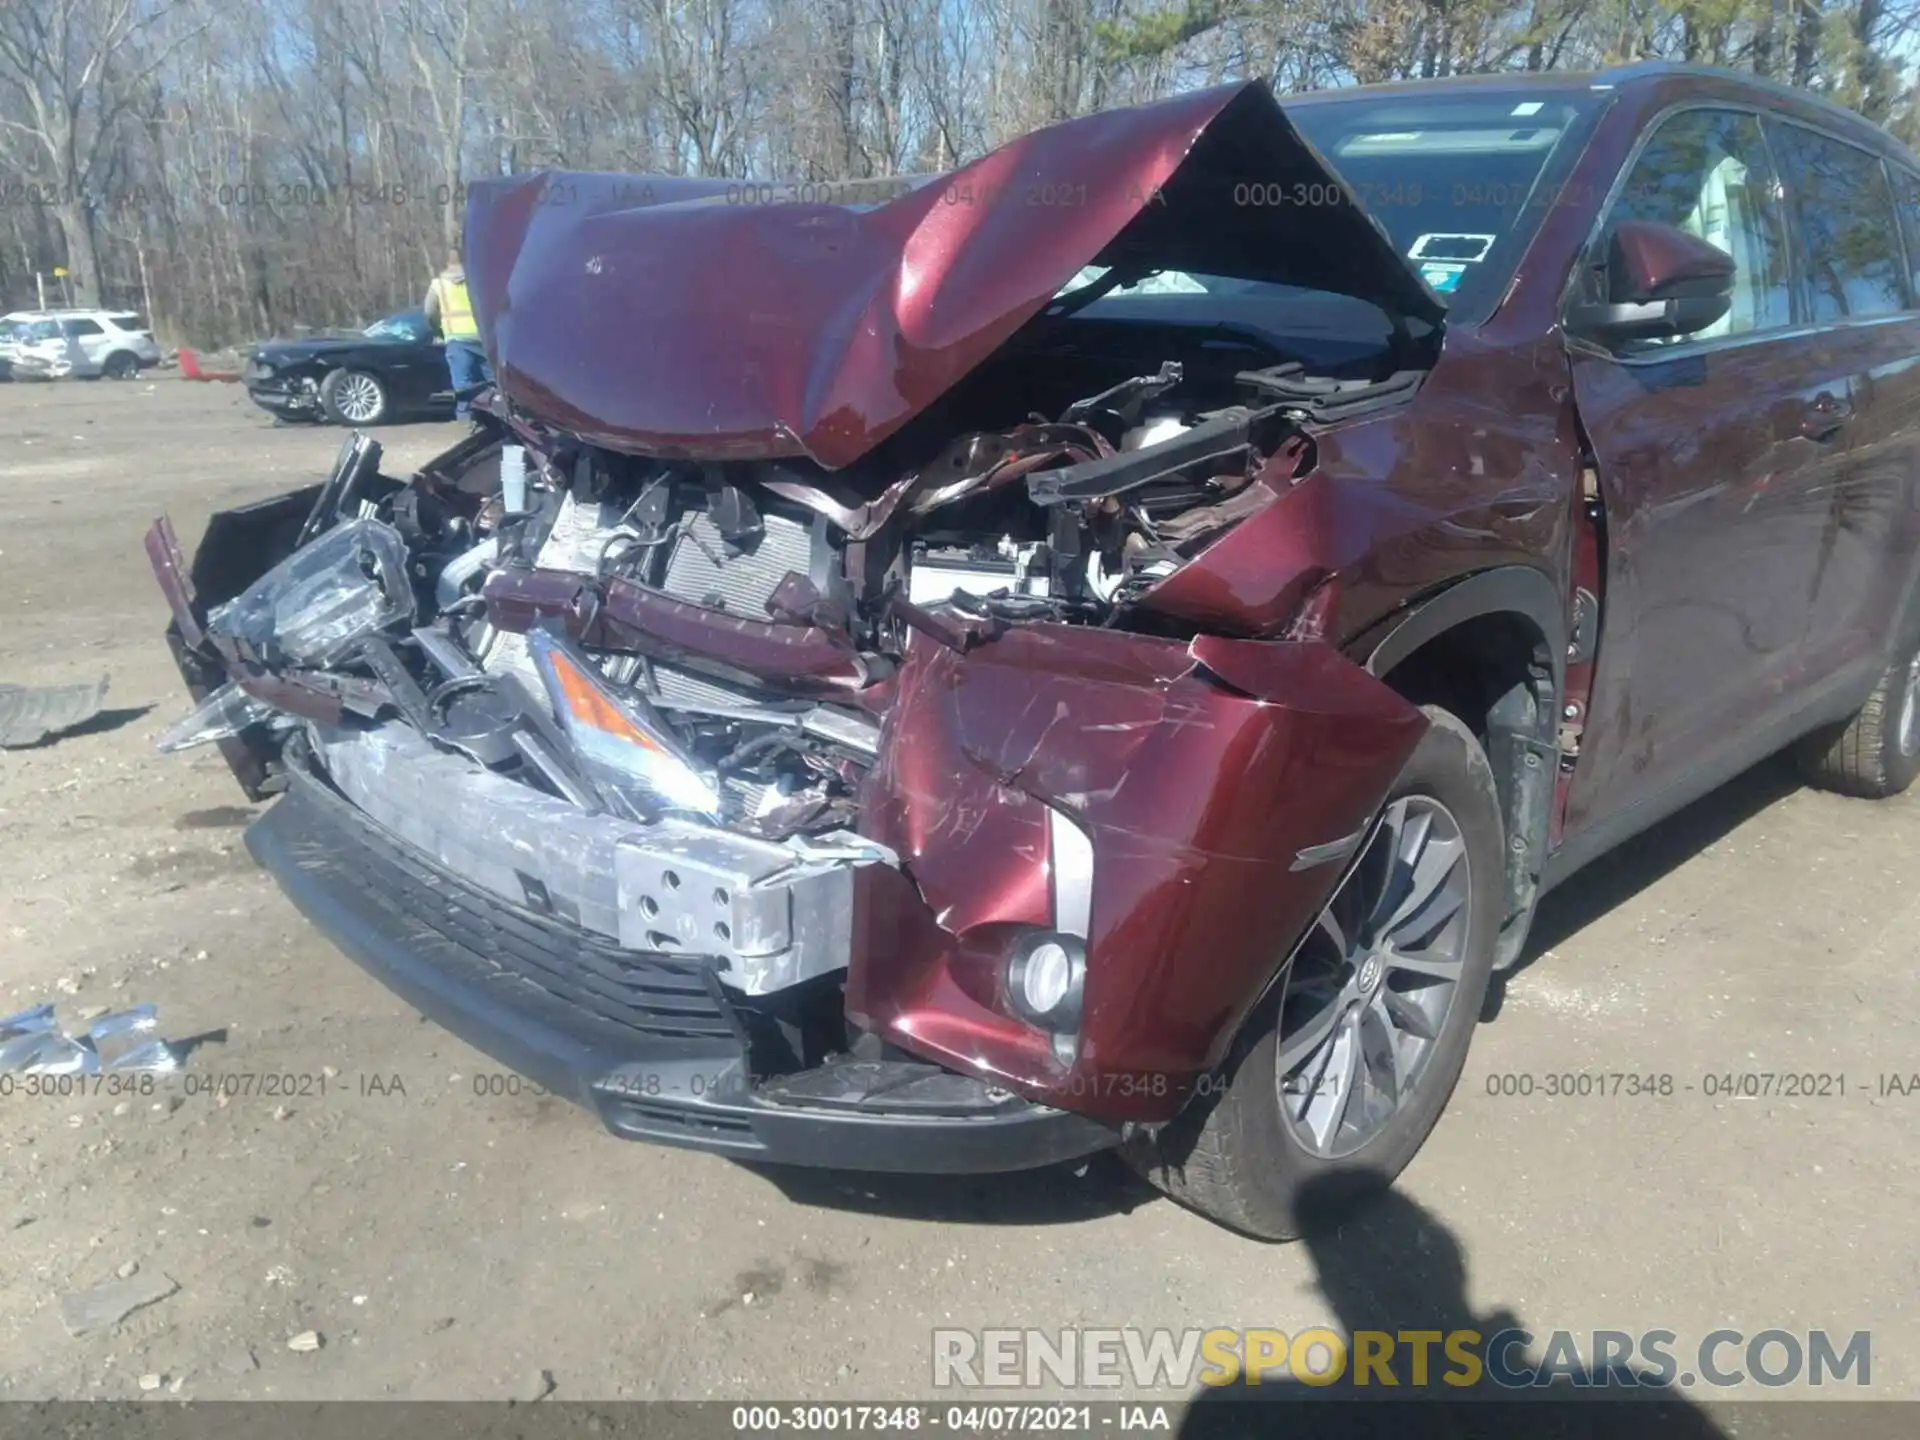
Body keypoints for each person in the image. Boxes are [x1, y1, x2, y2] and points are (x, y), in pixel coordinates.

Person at [424, 250, 491, 419]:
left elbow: (429, 312)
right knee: (492, 385)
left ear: (447, 263)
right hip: (484, 338)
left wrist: (438, 329)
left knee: (464, 387)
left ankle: (466, 423)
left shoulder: (438, 284)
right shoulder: (478, 280)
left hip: (457, 339)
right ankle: (502, 424)